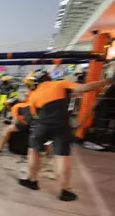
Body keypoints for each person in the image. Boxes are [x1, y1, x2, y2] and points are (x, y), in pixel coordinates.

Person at [19, 69, 115, 201]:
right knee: (62, 158)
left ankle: (32, 180)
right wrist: (108, 81)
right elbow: (84, 88)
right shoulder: (61, 84)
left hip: (42, 126)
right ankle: (65, 191)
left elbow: (35, 115)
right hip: (61, 126)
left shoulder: (33, 95)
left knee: (33, 152)